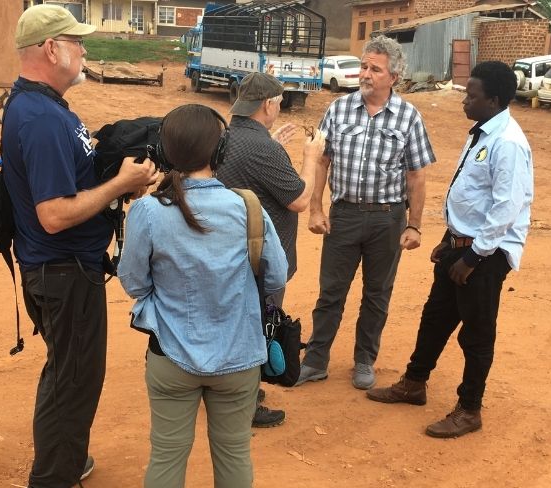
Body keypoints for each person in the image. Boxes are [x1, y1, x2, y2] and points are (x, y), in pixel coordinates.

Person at [3, 5, 158, 488]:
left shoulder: (45, 107)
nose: (85, 50)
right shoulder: (43, 118)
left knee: (69, 373)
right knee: (73, 378)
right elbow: (53, 214)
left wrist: (117, 170)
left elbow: (75, 178)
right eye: (78, 41)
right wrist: (120, 186)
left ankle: (64, 457)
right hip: (63, 268)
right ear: (52, 49)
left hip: (63, 269)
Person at [118, 104, 287, 488]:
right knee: (234, 454)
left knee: (167, 457)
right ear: (222, 148)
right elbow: (275, 277)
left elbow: (134, 282)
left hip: (170, 357)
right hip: (238, 357)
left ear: (164, 151)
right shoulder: (247, 208)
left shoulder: (148, 212)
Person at [365, 61, 533, 438]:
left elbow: (507, 207)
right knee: (435, 317)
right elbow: (473, 197)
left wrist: (474, 257)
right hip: (461, 246)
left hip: (484, 257)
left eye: (472, 96)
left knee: (476, 334)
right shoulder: (484, 133)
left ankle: (470, 408)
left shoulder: (507, 143)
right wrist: (450, 240)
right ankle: (414, 383)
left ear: (493, 99)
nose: (465, 101)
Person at [296, 36, 435, 390]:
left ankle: (364, 361)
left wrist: (414, 226)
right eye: (364, 66)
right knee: (331, 292)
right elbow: (322, 161)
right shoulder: (338, 110)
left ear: (394, 77)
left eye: (375, 69)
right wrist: (316, 208)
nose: (366, 74)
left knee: (377, 295)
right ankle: (315, 360)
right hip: (343, 216)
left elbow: (417, 176)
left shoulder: (408, 117)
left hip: (387, 220)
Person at [215, 72, 325, 428]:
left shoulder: (228, 136)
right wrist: (310, 155)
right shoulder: (260, 147)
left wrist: (273, 145)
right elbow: (300, 199)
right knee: (255, 330)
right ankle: (244, 404)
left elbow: (250, 170)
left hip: (231, 256)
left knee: (236, 326)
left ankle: (232, 393)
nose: (279, 108)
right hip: (260, 260)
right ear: (268, 104)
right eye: (278, 103)